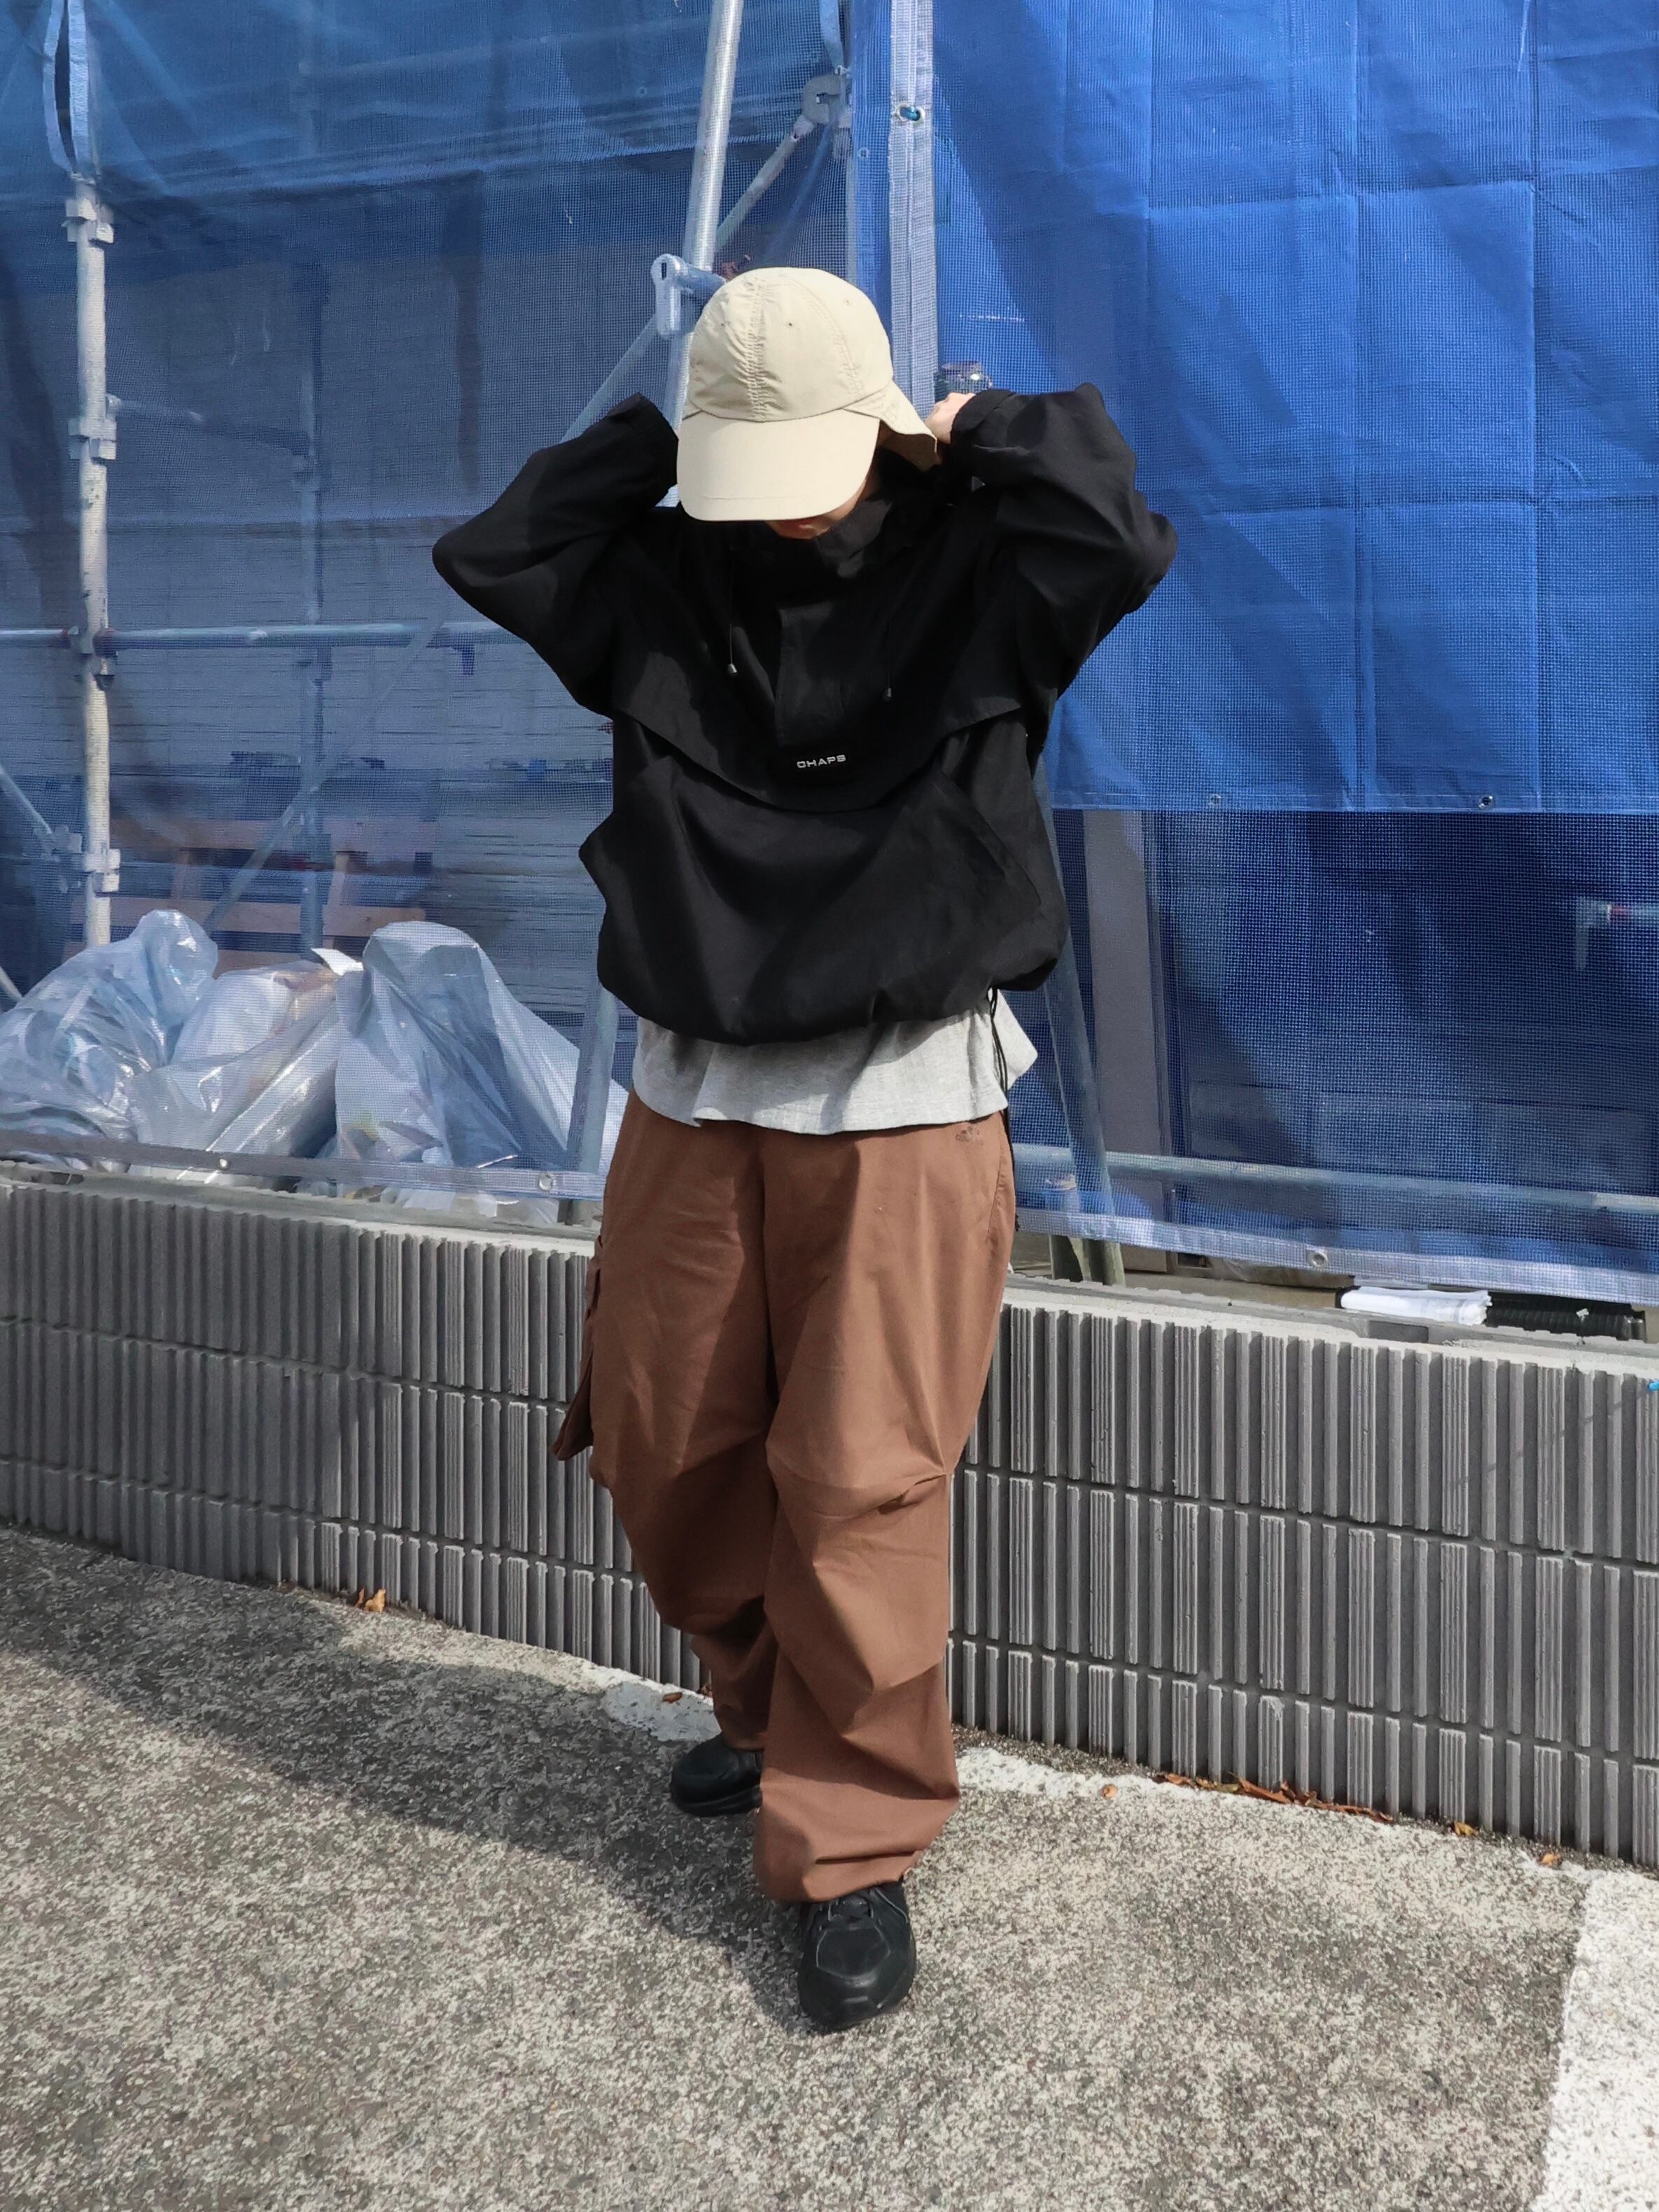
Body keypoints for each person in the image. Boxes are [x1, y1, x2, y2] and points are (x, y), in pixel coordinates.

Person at [433, 267, 1175, 2031]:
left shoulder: (985, 564)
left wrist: (970, 427)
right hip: (696, 1082)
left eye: (807, 460)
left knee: (860, 1480)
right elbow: (498, 548)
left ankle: (852, 1840)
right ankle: (774, 1719)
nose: (782, 504)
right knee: (663, 1437)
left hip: (903, 1087)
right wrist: (668, 439)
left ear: (879, 430)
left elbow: (1116, 531)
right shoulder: (663, 574)